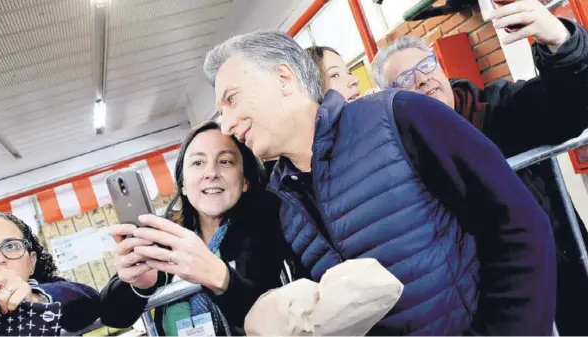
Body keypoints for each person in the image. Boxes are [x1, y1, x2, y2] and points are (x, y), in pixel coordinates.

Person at [203, 29, 556, 335]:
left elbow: (518, 225)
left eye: (231, 100)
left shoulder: (401, 116)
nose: (227, 125)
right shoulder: (283, 201)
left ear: (283, 78)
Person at [370, 1, 588, 334]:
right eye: (404, 80)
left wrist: (561, 41)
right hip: (489, 313)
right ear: (389, 99)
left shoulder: (496, 108)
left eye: (427, 65)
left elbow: (569, 106)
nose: (423, 80)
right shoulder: (399, 161)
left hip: (564, 287)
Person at [99, 121, 286, 336]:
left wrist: (221, 278)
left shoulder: (270, 225)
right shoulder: (165, 236)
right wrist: (137, 285)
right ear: (184, 185)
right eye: (198, 163)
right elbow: (112, 315)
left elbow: (273, 319)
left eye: (225, 161)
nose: (211, 173)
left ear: (245, 181)